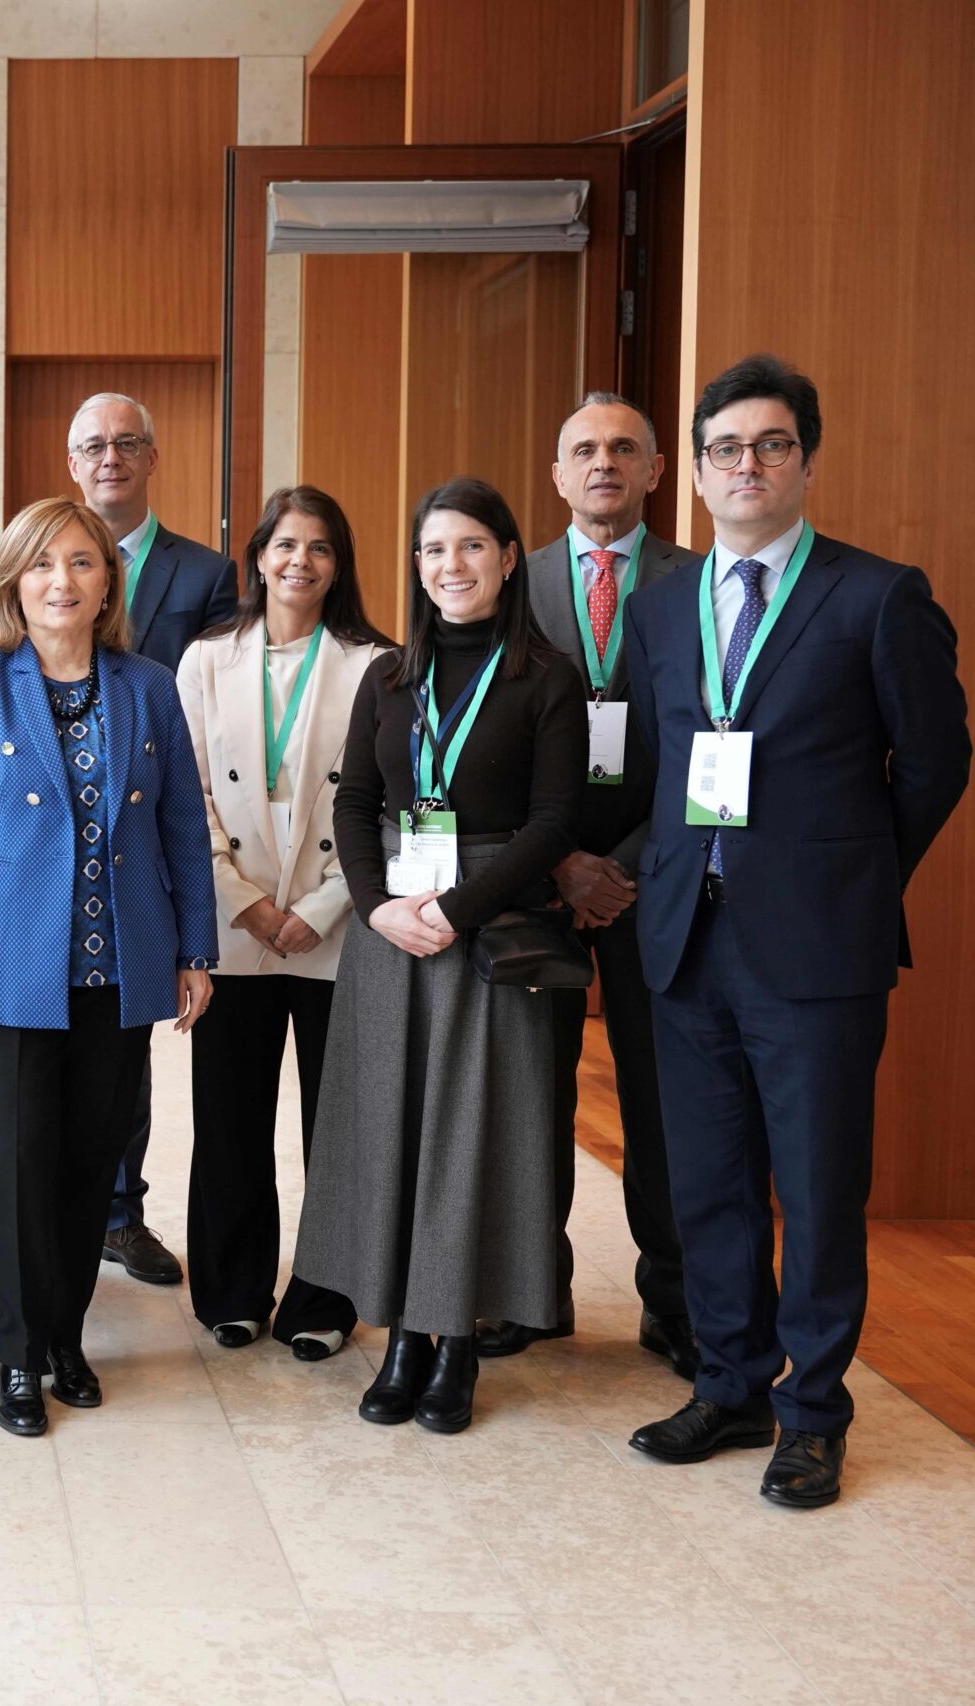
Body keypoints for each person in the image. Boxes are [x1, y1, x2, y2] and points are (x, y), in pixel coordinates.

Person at [623, 355, 968, 1509]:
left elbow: (935, 763)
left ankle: (812, 1413)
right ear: (697, 471)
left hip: (817, 952)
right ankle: (729, 1382)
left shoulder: (876, 595)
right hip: (687, 939)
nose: (747, 466)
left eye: (770, 444)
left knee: (816, 1192)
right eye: (724, 448)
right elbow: (658, 759)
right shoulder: (662, 606)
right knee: (708, 1182)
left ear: (805, 461)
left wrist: (850, 877)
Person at [293, 477, 584, 1436]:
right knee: (391, 1131)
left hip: (488, 931)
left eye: (469, 546)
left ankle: (455, 1337)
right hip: (392, 936)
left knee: (471, 1139)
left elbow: (554, 822)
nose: (449, 565)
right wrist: (377, 907)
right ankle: (401, 1335)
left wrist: (454, 910)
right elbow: (353, 802)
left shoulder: (547, 677)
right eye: (431, 549)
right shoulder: (389, 674)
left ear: (508, 557)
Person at [0, 496, 217, 1437]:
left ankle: (64, 1335)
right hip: (9, 971)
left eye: (83, 562)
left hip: (120, 967)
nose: (63, 581)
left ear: (107, 583)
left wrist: (195, 949)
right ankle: (18, 1354)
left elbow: (182, 825)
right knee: (17, 1169)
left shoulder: (148, 686)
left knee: (92, 1165)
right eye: (44, 564)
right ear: (15, 580)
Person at [476, 393, 702, 1375]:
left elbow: (714, 737)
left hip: (662, 875)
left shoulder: (701, 582)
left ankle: (677, 1304)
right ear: (558, 474)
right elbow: (483, 740)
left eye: (623, 448)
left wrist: (630, 862)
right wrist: (559, 858)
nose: (603, 463)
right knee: (532, 1093)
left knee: (664, 1100)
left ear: (656, 470)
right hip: (538, 875)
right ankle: (533, 1292)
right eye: (584, 449)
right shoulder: (506, 581)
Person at [175, 485, 389, 1359]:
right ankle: (231, 1287)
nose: (301, 560)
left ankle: (325, 1297)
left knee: (336, 1127)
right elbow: (186, 799)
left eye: (320, 547)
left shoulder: (378, 664)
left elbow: (382, 804)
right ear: (258, 556)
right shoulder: (204, 660)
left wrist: (321, 906)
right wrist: (246, 902)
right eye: (286, 544)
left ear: (339, 566)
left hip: (337, 922)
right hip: (235, 923)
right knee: (230, 1118)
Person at [65, 390, 237, 1285]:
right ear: (72, 462)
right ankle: (53, 1211)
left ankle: (120, 1212)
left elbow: (218, 700)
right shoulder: (40, 561)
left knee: (126, 1036)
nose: (111, 457)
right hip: (53, 827)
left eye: (128, 442)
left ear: (152, 456)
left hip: (147, 824)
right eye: (93, 444)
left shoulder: (205, 574)